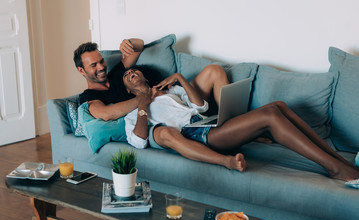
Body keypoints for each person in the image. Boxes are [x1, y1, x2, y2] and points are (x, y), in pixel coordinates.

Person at [122, 67, 359, 182]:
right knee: (270, 116)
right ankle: (335, 169)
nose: (132, 72)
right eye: (127, 75)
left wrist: (180, 79)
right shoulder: (132, 111)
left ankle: (337, 159)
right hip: (198, 136)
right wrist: (142, 104)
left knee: (279, 106)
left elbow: (201, 107)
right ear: (127, 88)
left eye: (134, 70)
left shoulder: (170, 90)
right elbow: (139, 141)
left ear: (144, 75)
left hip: (209, 124)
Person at [74, 40, 229, 122]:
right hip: (163, 110)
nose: (101, 67)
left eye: (101, 61)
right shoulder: (89, 96)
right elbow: (106, 114)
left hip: (178, 95)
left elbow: (139, 46)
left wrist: (128, 43)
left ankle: (230, 120)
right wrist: (146, 97)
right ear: (81, 70)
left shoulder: (117, 73)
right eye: (94, 65)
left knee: (214, 70)